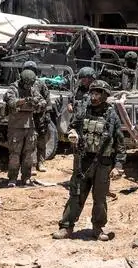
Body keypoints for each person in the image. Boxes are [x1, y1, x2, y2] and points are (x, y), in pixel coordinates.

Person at [52, 80, 125, 241]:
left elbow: (120, 142)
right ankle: (66, 227)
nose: (94, 96)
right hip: (83, 161)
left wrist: (118, 165)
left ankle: (98, 228)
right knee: (76, 195)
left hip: (103, 163)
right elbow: (71, 127)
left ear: (105, 95)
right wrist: (72, 133)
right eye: (93, 93)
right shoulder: (83, 111)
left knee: (99, 198)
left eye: (98, 93)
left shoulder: (112, 115)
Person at [3, 68, 46, 187]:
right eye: (27, 84)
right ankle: (12, 178)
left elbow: (43, 102)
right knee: (15, 154)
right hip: (16, 126)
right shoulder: (13, 88)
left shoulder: (32, 89)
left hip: (30, 126)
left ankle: (26, 177)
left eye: (31, 84)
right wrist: (25, 101)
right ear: (23, 80)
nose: (29, 86)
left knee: (29, 154)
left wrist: (36, 103)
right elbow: (11, 102)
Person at [22, 60, 53, 172]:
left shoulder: (40, 83)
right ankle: (31, 165)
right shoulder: (21, 83)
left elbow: (47, 99)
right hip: (26, 116)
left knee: (41, 140)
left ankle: (41, 162)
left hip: (39, 116)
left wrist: (47, 113)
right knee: (28, 142)